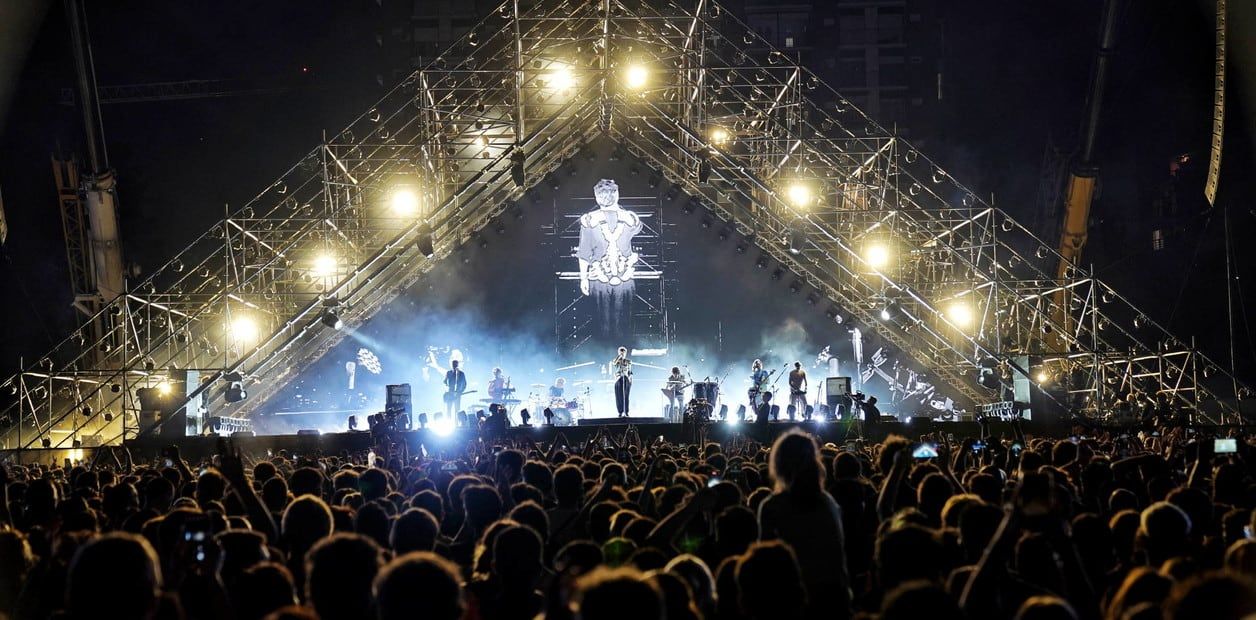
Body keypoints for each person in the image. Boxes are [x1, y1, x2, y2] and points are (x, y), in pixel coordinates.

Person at [757, 430, 851, 618]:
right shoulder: (828, 502)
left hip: (791, 599)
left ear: (779, 463)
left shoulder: (773, 506)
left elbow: (765, 560)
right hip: (832, 599)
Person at [576, 179, 644, 338]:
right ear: (617, 194)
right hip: (621, 278)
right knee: (623, 324)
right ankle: (621, 349)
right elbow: (584, 252)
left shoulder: (589, 221)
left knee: (602, 325)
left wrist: (583, 278)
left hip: (603, 279)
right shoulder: (630, 218)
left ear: (596, 197)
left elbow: (584, 252)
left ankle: (605, 351)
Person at [612, 347, 632, 418]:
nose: (623, 353)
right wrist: (619, 356)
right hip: (618, 379)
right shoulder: (616, 360)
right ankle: (620, 411)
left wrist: (630, 381)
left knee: (626, 396)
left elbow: (630, 372)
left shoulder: (628, 361)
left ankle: (626, 411)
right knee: (619, 396)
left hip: (626, 379)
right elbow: (614, 363)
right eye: (621, 352)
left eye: (624, 352)